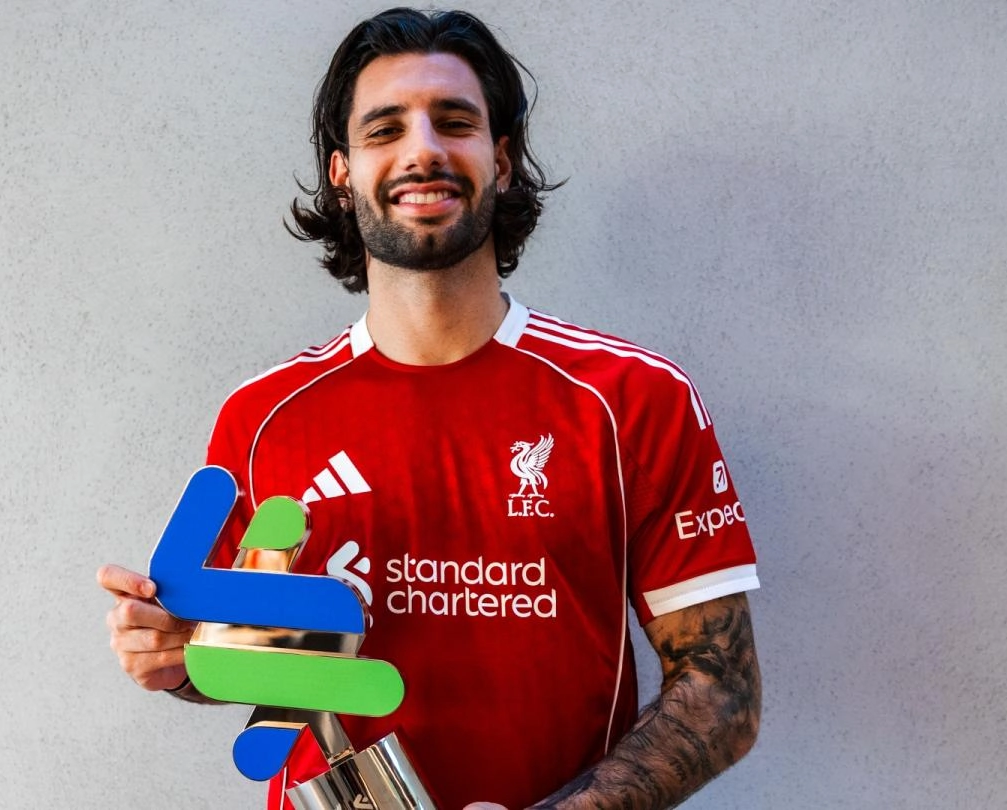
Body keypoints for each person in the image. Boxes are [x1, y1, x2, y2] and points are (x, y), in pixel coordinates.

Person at [99, 8, 762, 808]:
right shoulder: (264, 416)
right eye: (385, 129)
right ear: (343, 173)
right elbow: (258, 655)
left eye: (454, 122)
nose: (422, 150)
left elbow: (723, 690)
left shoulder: (632, 400)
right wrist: (178, 656)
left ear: (501, 160)